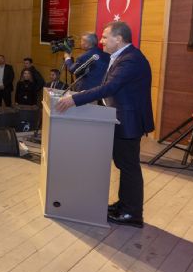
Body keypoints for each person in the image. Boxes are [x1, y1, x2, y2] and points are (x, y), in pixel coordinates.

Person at [56, 22, 154, 228]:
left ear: (118, 39)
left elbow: (110, 87)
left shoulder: (131, 60)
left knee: (128, 167)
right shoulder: (122, 57)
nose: (101, 41)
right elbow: (108, 87)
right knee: (123, 164)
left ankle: (132, 214)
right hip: (120, 118)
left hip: (128, 121)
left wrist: (76, 99)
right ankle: (124, 205)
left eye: (104, 37)